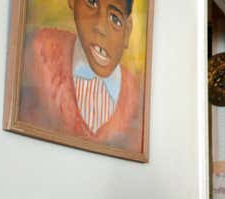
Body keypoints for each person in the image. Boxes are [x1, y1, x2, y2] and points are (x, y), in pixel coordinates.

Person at [19, 0, 143, 152]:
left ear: (128, 31)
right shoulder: (39, 52)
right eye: (91, 2)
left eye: (115, 19)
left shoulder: (136, 98)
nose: (100, 27)